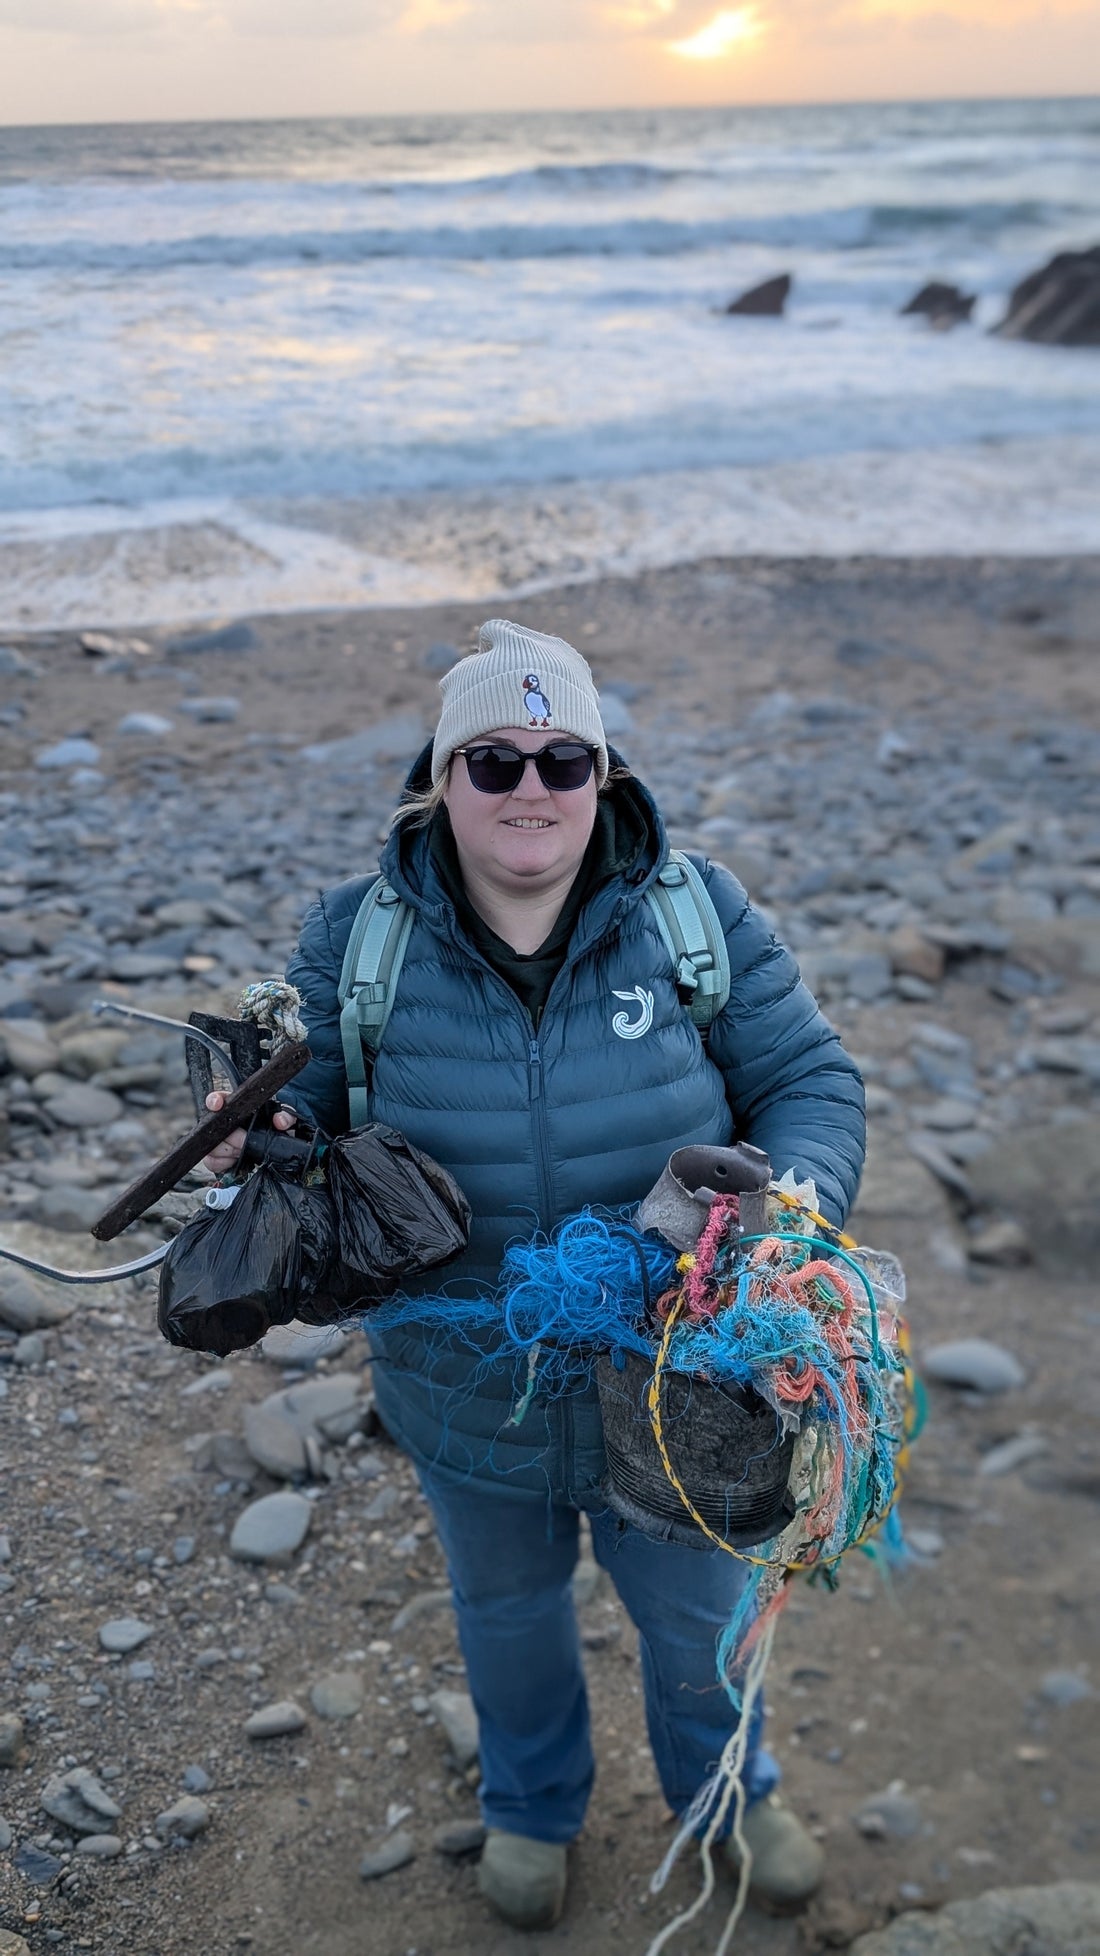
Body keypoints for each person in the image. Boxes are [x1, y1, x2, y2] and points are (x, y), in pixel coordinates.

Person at [205, 619, 865, 1932]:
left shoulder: (695, 912)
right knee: (505, 1613)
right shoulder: (359, 939)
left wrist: (788, 1213)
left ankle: (730, 1794)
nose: (530, 788)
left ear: (603, 777)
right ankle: (531, 1803)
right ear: (439, 778)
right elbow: (316, 1116)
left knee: (697, 1622)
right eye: (491, 760)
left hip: (681, 1370)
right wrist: (263, 1142)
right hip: (463, 1378)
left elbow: (809, 1081)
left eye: (565, 758)